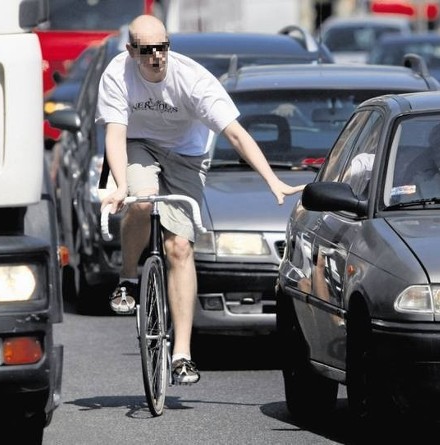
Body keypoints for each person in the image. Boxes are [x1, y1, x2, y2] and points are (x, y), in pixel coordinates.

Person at [95, 15, 304, 384]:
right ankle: (128, 277)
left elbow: (236, 135)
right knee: (141, 201)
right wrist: (120, 184)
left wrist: (272, 180)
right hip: (136, 145)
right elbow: (115, 133)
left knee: (179, 247)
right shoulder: (117, 74)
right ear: (131, 51)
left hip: (187, 155)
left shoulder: (193, 80)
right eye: (147, 51)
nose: (157, 57)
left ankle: (182, 354)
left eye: (163, 47)